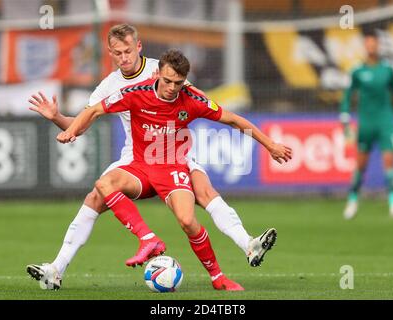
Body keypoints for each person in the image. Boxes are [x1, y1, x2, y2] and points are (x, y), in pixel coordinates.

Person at [26, 24, 278, 290]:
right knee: (96, 195)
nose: (124, 57)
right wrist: (57, 117)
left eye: (128, 51)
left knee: (202, 195)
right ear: (110, 52)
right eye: (117, 53)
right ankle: (57, 268)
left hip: (174, 154)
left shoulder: (164, 69)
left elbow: (200, 102)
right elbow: (81, 123)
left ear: (139, 47)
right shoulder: (110, 86)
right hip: (136, 158)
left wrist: (266, 143)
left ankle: (247, 245)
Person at [340, 31, 393, 220]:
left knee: (389, 164)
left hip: (385, 122)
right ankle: (353, 200)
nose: (371, 47)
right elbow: (348, 94)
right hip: (366, 123)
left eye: (374, 44)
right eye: (368, 44)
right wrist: (345, 112)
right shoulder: (357, 70)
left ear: (378, 46)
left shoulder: (387, 70)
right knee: (360, 166)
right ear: (365, 46)